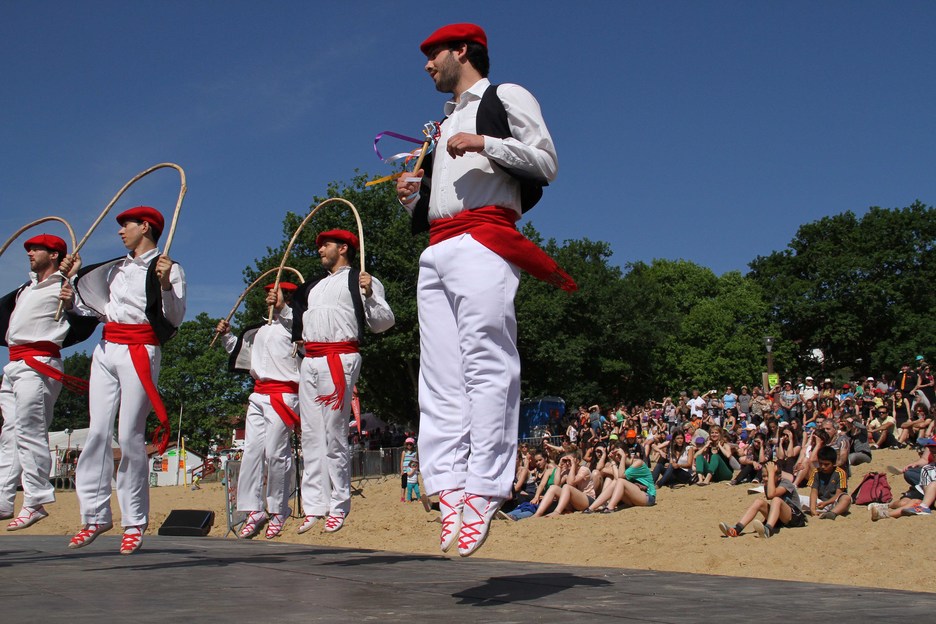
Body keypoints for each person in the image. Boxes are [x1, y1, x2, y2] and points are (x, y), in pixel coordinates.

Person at [396, 23, 572, 557]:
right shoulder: (442, 123)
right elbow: (440, 201)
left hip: (483, 239)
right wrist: (413, 198)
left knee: (486, 361)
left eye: (434, 55)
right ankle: (447, 482)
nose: (427, 66)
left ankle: (485, 488)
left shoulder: (504, 96)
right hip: (438, 246)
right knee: (440, 372)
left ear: (463, 51)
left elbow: (546, 164)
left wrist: (484, 141)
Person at [62, 206, 185, 554]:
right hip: (107, 348)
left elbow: (174, 317)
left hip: (141, 348)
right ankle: (95, 515)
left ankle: (134, 521)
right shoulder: (115, 267)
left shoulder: (169, 267)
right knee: (98, 430)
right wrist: (72, 298)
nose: (120, 232)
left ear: (145, 227)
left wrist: (165, 286)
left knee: (130, 433)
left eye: (126, 225)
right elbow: (97, 308)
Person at [286, 229, 394, 534]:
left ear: (343, 247)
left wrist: (370, 292)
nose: (320, 250)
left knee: (333, 432)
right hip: (311, 360)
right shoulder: (314, 287)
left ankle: (338, 503)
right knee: (310, 433)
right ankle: (314, 505)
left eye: (326, 245)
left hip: (340, 357)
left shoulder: (358, 280)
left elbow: (383, 323)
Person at [0, 234, 93, 530]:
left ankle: (36, 499)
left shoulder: (66, 286)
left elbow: (86, 315)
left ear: (54, 255)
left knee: (30, 429)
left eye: (36, 249)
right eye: (29, 249)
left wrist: (73, 278)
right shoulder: (26, 289)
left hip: (38, 362)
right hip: (14, 364)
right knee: (10, 433)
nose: (29, 252)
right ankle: (3, 498)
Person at [216, 282, 301, 539]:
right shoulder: (260, 329)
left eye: (276, 292)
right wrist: (226, 335)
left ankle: (278, 509)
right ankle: (253, 510)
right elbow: (242, 353)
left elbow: (303, 337)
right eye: (269, 293)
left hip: (284, 394)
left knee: (276, 453)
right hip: (259, 394)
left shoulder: (295, 327)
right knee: (251, 452)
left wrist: (284, 307)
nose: (270, 296)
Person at [718, 460, 806, 538]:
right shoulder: (767, 485)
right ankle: (737, 529)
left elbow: (772, 495)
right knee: (758, 502)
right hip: (780, 519)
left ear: (779, 477)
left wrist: (771, 472)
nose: (766, 479)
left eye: (769, 476)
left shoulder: (786, 483)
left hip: (795, 518)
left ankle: (768, 530)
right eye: (764, 476)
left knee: (776, 499)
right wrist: (771, 475)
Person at [870, 437, 936, 520]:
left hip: (929, 493)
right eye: (932, 451)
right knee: (905, 503)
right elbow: (926, 488)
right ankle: (886, 508)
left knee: (919, 497)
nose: (934, 454)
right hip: (926, 493)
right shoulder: (927, 469)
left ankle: (886, 514)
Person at [806, 446, 851, 520]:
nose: (823, 467)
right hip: (820, 502)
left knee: (846, 498)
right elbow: (814, 492)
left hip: (835, 503)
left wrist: (826, 503)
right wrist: (812, 509)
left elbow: (838, 494)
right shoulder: (816, 472)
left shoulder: (840, 473)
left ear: (833, 463)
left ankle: (832, 513)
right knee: (797, 497)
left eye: (826, 464)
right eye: (820, 464)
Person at [400, 437, 418, 503]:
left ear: (413, 445)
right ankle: (402, 497)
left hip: (411, 471)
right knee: (403, 484)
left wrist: (415, 469)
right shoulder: (404, 452)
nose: (409, 445)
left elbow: (415, 462)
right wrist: (401, 470)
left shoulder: (414, 453)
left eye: (410, 444)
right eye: (408, 444)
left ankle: (409, 497)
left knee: (411, 484)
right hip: (405, 470)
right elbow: (402, 461)